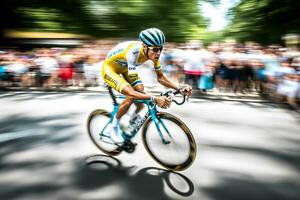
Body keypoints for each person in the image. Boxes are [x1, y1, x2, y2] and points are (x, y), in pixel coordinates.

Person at [101, 28, 192, 145]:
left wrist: (179, 88)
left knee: (141, 94)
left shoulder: (154, 55)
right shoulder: (132, 53)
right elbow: (131, 93)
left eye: (160, 49)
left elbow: (161, 78)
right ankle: (113, 127)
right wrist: (156, 98)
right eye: (155, 49)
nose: (158, 53)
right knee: (131, 96)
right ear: (144, 46)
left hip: (126, 68)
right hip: (110, 69)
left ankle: (131, 121)